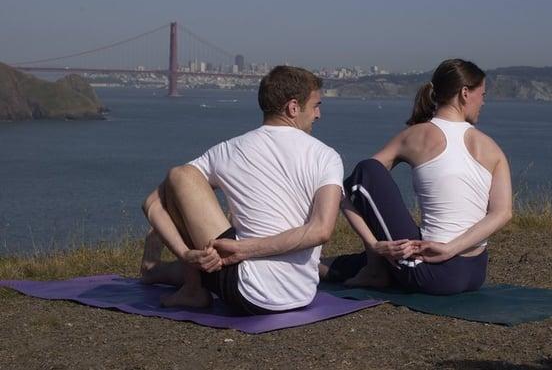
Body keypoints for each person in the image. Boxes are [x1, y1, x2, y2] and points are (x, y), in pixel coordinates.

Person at [140, 65, 343, 314]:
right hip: (301, 293)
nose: (318, 114)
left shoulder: (228, 150)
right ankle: (158, 273)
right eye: (315, 106)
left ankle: (188, 287)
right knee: (218, 243)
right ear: (293, 107)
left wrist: (188, 253)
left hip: (247, 292)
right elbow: (321, 230)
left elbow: (152, 203)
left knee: (180, 175)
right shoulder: (326, 156)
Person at [321, 58, 512, 295]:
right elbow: (502, 212)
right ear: (464, 93)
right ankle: (356, 266)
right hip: (475, 273)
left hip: (432, 273)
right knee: (375, 256)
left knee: (366, 169)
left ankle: (373, 267)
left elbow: (351, 187)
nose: (483, 102)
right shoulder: (492, 148)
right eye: (482, 94)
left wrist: (373, 245)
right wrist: (452, 248)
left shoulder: (416, 136)